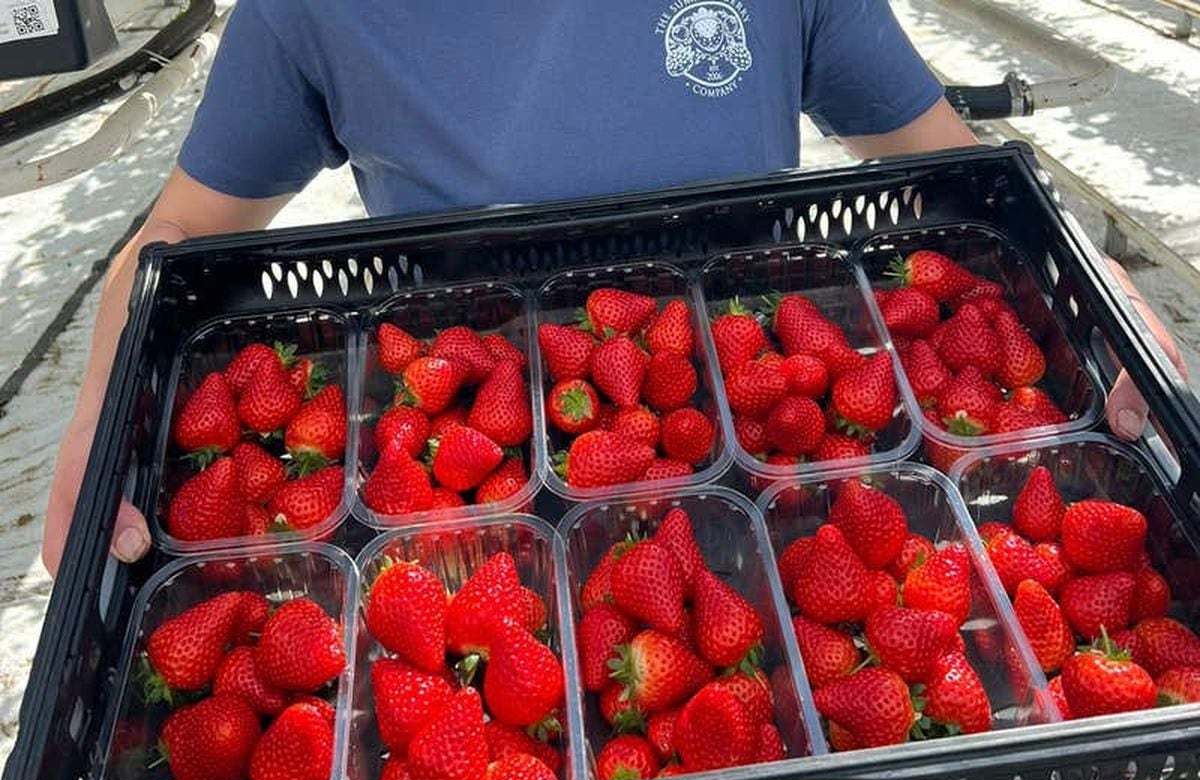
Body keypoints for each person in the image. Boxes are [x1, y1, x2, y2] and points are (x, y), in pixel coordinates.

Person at [40, 0, 1186, 575]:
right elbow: (184, 232)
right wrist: (102, 408)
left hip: (764, 458)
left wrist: (1095, 280)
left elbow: (955, 172)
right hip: (469, 489)